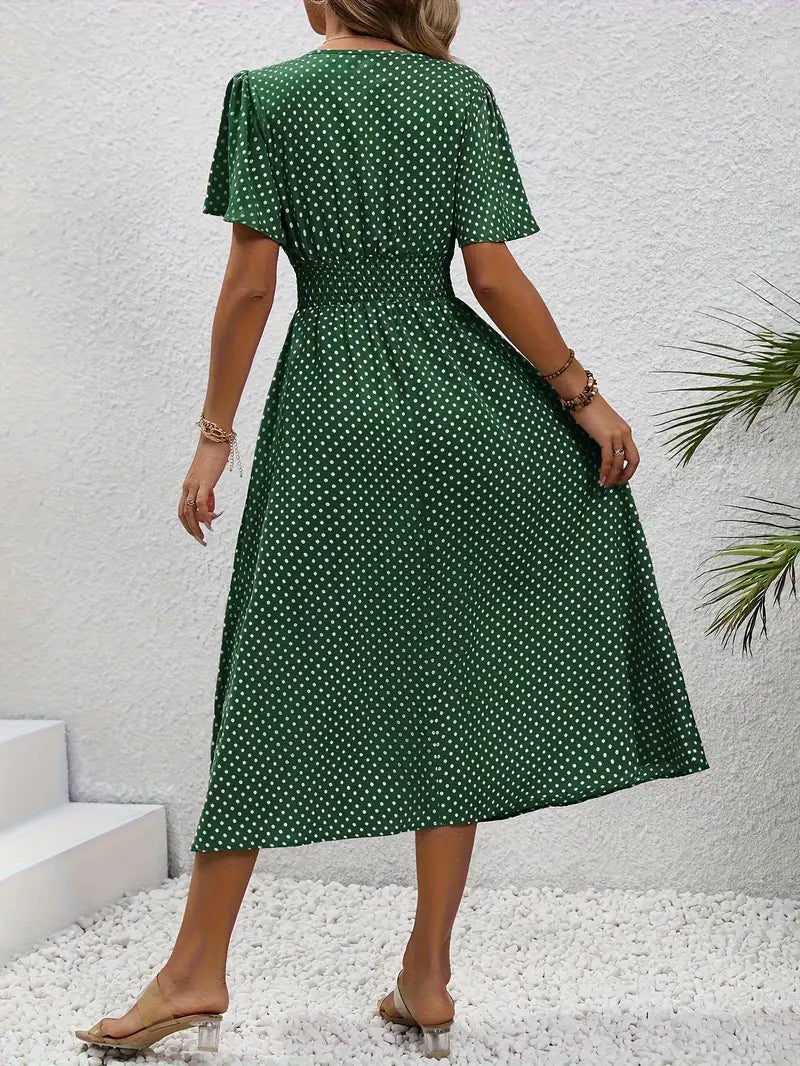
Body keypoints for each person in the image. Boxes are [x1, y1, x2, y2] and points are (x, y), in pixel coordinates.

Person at [75, 0, 710, 1059]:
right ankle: (427, 974)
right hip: (464, 405)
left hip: (335, 409)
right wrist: (582, 397)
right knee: (452, 672)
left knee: (274, 675)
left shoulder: (267, 96)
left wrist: (215, 434)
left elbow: (250, 284)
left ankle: (196, 970)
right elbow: (491, 273)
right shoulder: (456, 94)